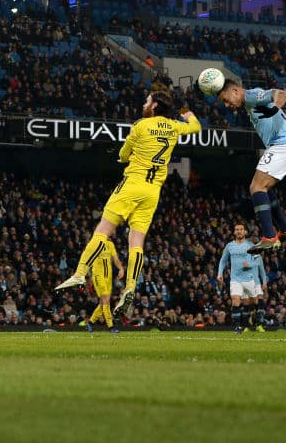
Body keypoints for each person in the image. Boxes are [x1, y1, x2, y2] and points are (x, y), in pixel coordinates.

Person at [55, 91, 200, 323]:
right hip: (153, 191)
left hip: (132, 184)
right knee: (136, 241)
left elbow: (124, 152)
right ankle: (131, 286)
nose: (144, 103)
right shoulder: (174, 126)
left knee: (103, 230)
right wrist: (187, 114)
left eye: (147, 100)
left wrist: (123, 158)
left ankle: (80, 273)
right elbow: (195, 128)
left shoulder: (141, 125)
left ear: (153, 106)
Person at [217, 79, 286, 253]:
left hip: (284, 145)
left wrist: (277, 107)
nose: (227, 105)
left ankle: (269, 236)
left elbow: (280, 93)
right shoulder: (251, 103)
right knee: (265, 188)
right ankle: (285, 230)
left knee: (256, 187)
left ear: (234, 90)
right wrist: (282, 116)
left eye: (226, 99)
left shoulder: (250, 95)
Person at [217, 223, 262, 333]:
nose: (239, 231)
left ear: (245, 232)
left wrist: (250, 265)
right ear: (234, 232)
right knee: (236, 299)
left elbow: (258, 260)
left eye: (241, 229)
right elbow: (223, 261)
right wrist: (220, 273)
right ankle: (237, 327)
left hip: (249, 279)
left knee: (255, 301)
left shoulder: (251, 245)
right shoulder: (229, 246)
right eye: (237, 229)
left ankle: (257, 321)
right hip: (235, 279)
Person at [82, 235, 124, 333]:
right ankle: (111, 326)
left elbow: (116, 259)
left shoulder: (110, 244)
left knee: (103, 303)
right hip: (98, 276)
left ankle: (90, 323)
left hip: (108, 277)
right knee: (106, 301)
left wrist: (121, 268)